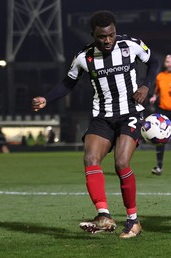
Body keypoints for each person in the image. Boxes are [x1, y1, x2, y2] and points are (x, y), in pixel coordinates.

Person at [32, 10, 159, 238]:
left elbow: (154, 61)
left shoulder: (131, 45)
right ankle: (104, 215)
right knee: (90, 159)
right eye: (102, 37)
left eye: (111, 35)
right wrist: (47, 99)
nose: (107, 40)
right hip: (102, 115)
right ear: (93, 35)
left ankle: (133, 221)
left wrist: (146, 86)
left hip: (130, 112)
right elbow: (68, 83)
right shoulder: (84, 57)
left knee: (121, 163)